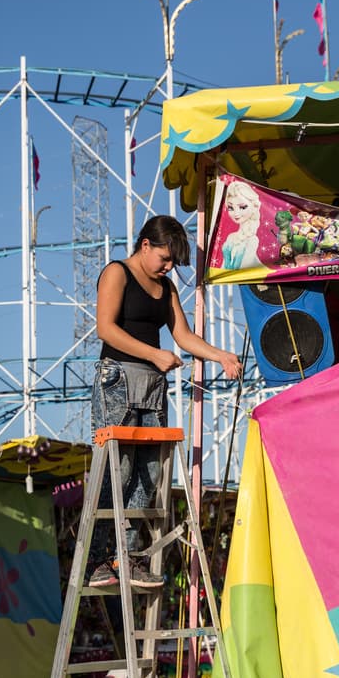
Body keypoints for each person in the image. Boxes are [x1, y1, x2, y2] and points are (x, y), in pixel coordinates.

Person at [87, 216, 242, 589]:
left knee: (150, 471)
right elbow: (105, 328)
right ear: (145, 245)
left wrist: (220, 355)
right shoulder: (117, 273)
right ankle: (98, 558)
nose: (169, 266)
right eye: (165, 258)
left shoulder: (167, 287)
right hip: (118, 380)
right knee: (118, 469)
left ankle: (126, 555)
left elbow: (183, 335)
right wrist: (154, 354)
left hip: (153, 386)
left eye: (173, 261)